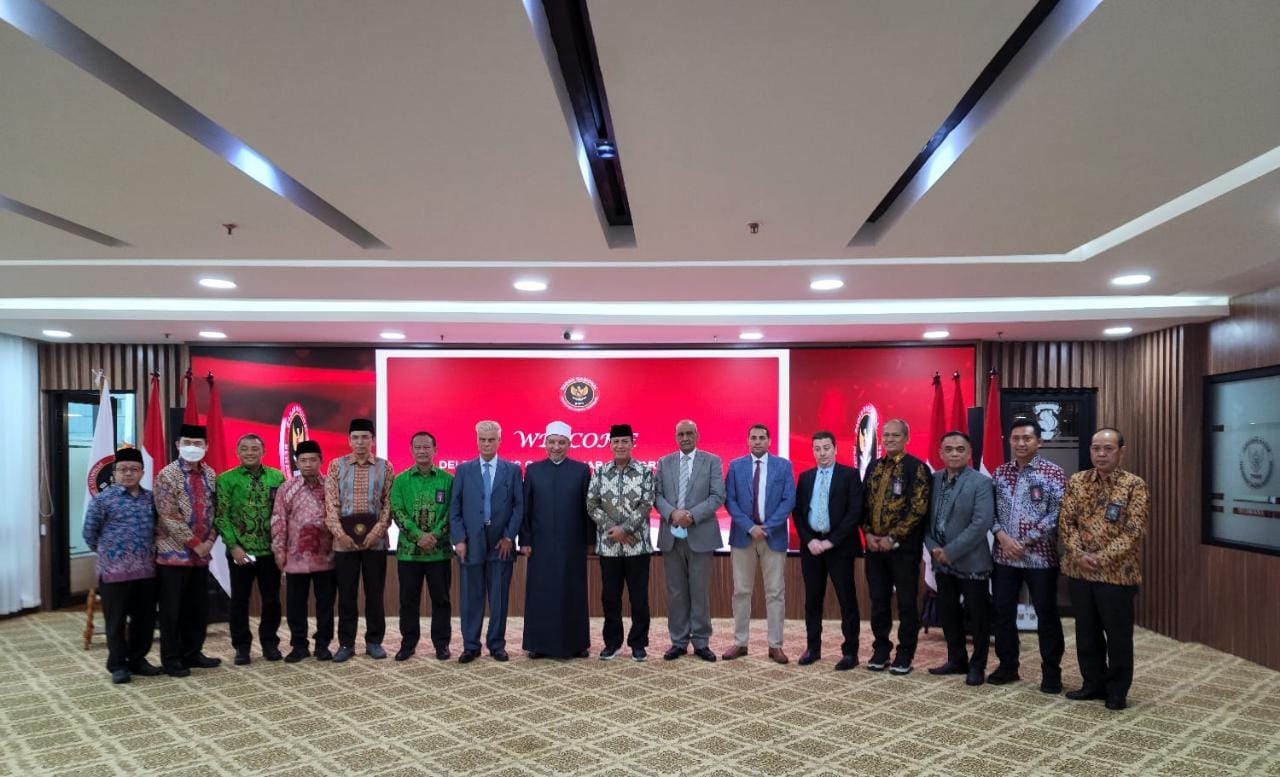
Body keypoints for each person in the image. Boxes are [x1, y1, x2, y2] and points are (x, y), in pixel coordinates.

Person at [1060, 428, 1149, 711]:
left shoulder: (1134, 485)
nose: (1101, 454)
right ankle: (1092, 684)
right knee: (1086, 632)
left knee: (1118, 635)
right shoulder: (1077, 481)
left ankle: (1117, 690)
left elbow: (1134, 531)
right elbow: (1066, 522)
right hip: (1080, 571)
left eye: (1108, 449)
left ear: (1121, 452)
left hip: (1116, 574)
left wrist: (1101, 557)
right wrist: (1078, 553)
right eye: (1096, 448)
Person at [989, 419, 1067, 692]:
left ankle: (1052, 672)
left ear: (1039, 442)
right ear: (1009, 441)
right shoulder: (1000, 473)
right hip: (1004, 557)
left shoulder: (1053, 473)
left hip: (1040, 558)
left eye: (1027, 438)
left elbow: (1057, 514)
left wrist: (1024, 541)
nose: (1021, 443)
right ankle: (1007, 666)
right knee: (1003, 613)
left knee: (1046, 615)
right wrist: (1001, 536)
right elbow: (989, 511)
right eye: (1016, 438)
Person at [83, 447, 160, 684]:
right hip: (114, 572)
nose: (128, 473)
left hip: (146, 571)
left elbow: (159, 530)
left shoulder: (151, 499)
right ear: (114, 473)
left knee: (144, 620)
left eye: (134, 469)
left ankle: (137, 660)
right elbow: (89, 533)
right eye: (123, 469)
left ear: (142, 472)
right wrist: (110, 553)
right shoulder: (103, 500)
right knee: (115, 621)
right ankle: (117, 665)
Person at [449, 420, 523, 663]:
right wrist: (459, 539)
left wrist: (509, 536)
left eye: (491, 440)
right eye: (482, 439)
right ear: (476, 441)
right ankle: (471, 646)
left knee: (499, 599)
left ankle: (497, 645)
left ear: (500, 441)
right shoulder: (464, 470)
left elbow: (518, 507)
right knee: (471, 598)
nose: (487, 444)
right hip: (471, 544)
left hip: (501, 544)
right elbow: (455, 508)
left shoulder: (512, 470)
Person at [924, 432, 995, 686]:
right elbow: (924, 520)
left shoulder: (981, 482)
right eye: (949, 449)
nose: (954, 453)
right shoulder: (932, 480)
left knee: (978, 618)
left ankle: (978, 666)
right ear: (941, 453)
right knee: (949, 613)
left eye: (960, 449)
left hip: (971, 561)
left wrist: (950, 551)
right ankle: (956, 659)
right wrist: (934, 548)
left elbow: (981, 523)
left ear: (969, 453)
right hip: (941, 562)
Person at [861, 418, 931, 674]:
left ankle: (905, 653)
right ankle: (881, 649)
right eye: (886, 435)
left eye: (895, 435)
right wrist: (868, 533)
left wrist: (892, 538)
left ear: (906, 439)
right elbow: (863, 503)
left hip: (903, 550)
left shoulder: (916, 468)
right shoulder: (874, 466)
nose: (889, 439)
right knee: (878, 601)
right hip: (874, 549)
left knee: (906, 603)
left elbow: (918, 509)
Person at [723, 423, 796, 664]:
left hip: (773, 537)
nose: (757, 441)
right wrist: (750, 527)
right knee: (741, 591)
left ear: (769, 441)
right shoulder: (736, 466)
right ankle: (740, 642)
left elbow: (788, 500)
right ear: (747, 440)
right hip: (743, 536)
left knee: (775, 592)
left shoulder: (783, 466)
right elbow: (730, 500)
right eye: (753, 437)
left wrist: (768, 527)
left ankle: (776, 645)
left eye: (762, 437)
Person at [520, 421, 593, 659]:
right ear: (545, 443)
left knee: (573, 592)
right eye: (552, 442)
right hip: (540, 545)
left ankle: (577, 644)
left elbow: (588, 510)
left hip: (572, 543)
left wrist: (590, 541)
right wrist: (525, 540)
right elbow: (526, 508)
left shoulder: (581, 470)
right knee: (541, 593)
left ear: (569, 444)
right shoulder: (533, 470)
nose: (556, 447)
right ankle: (538, 645)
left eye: (561, 442)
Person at [654, 419, 725, 662]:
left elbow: (718, 496)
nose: (685, 438)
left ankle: (701, 642)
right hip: (671, 537)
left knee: (699, 591)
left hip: (701, 535)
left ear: (697, 435)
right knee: (676, 593)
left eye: (689, 433)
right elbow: (657, 495)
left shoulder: (712, 461)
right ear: (676, 437)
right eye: (681, 434)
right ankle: (679, 642)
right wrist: (673, 513)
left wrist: (691, 516)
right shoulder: (664, 462)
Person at [324, 418, 394, 662]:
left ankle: (374, 642)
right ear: (349, 440)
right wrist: (340, 534)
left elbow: (388, 504)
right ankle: (346, 643)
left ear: (372, 440)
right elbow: (331, 503)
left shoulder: (385, 467)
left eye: (365, 437)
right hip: (343, 544)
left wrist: (377, 532)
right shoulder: (336, 466)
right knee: (346, 595)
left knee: (374, 594)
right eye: (355, 437)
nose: (360, 442)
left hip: (375, 543)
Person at [792, 431, 864, 670]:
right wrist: (810, 540)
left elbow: (854, 512)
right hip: (812, 548)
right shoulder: (805, 477)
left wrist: (831, 541)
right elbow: (798, 513)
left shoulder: (850, 475)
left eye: (826, 448)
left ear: (835, 449)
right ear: (812, 451)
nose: (822, 453)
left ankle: (850, 652)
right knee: (812, 600)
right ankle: (813, 648)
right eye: (817, 449)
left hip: (839, 547)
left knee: (847, 600)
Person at [153, 423, 220, 677]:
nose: (193, 447)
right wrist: (196, 544)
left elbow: (217, 510)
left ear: (207, 446)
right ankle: (172, 658)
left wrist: (210, 542)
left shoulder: (210, 474)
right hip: (173, 555)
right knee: (172, 610)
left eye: (198, 443)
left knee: (197, 607)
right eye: (187, 443)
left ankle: (193, 652)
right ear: (177, 445)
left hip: (201, 555)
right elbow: (168, 515)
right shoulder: (167, 475)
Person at [215, 433, 286, 665]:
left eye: (255, 449)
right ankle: (242, 647)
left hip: (269, 552)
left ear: (263, 452)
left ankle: (269, 643)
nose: (249, 453)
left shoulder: (277, 477)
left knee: (272, 600)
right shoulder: (226, 479)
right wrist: (234, 546)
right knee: (239, 600)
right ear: (237, 452)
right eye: (244, 449)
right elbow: (221, 516)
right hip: (240, 552)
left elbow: (282, 513)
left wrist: (281, 546)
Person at [587, 424, 655, 661]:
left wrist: (624, 530)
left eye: (625, 441)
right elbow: (591, 505)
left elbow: (646, 505)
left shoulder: (645, 472)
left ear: (632, 444)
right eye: (616, 442)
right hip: (609, 548)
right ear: (610, 445)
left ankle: (638, 643)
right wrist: (613, 530)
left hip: (638, 546)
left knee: (639, 598)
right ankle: (613, 643)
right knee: (610, 598)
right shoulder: (600, 472)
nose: (620, 446)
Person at [390, 431, 455, 661]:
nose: (422, 451)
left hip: (439, 552)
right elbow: (397, 511)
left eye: (427, 447)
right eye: (417, 447)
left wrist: (434, 535)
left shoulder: (448, 480)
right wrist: (418, 536)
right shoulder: (400, 480)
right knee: (408, 601)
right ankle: (408, 644)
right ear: (411, 450)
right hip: (410, 554)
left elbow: (452, 511)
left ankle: (442, 644)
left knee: (441, 601)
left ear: (435, 450)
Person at [270, 440, 336, 662]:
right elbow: (278, 519)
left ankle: (323, 645)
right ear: (297, 462)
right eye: (303, 460)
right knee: (296, 604)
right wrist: (279, 550)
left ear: (321, 461)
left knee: (325, 604)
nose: (308, 464)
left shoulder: (331, 486)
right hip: (295, 557)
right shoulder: (287, 488)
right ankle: (299, 645)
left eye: (312, 460)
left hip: (327, 556)